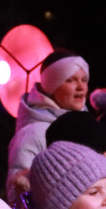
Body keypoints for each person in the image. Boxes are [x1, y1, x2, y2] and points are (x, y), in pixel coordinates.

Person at [7, 51, 89, 200]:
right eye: (70, 80)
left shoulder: (89, 127)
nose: (81, 87)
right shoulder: (33, 133)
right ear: (52, 86)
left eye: (84, 80)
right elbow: (17, 193)